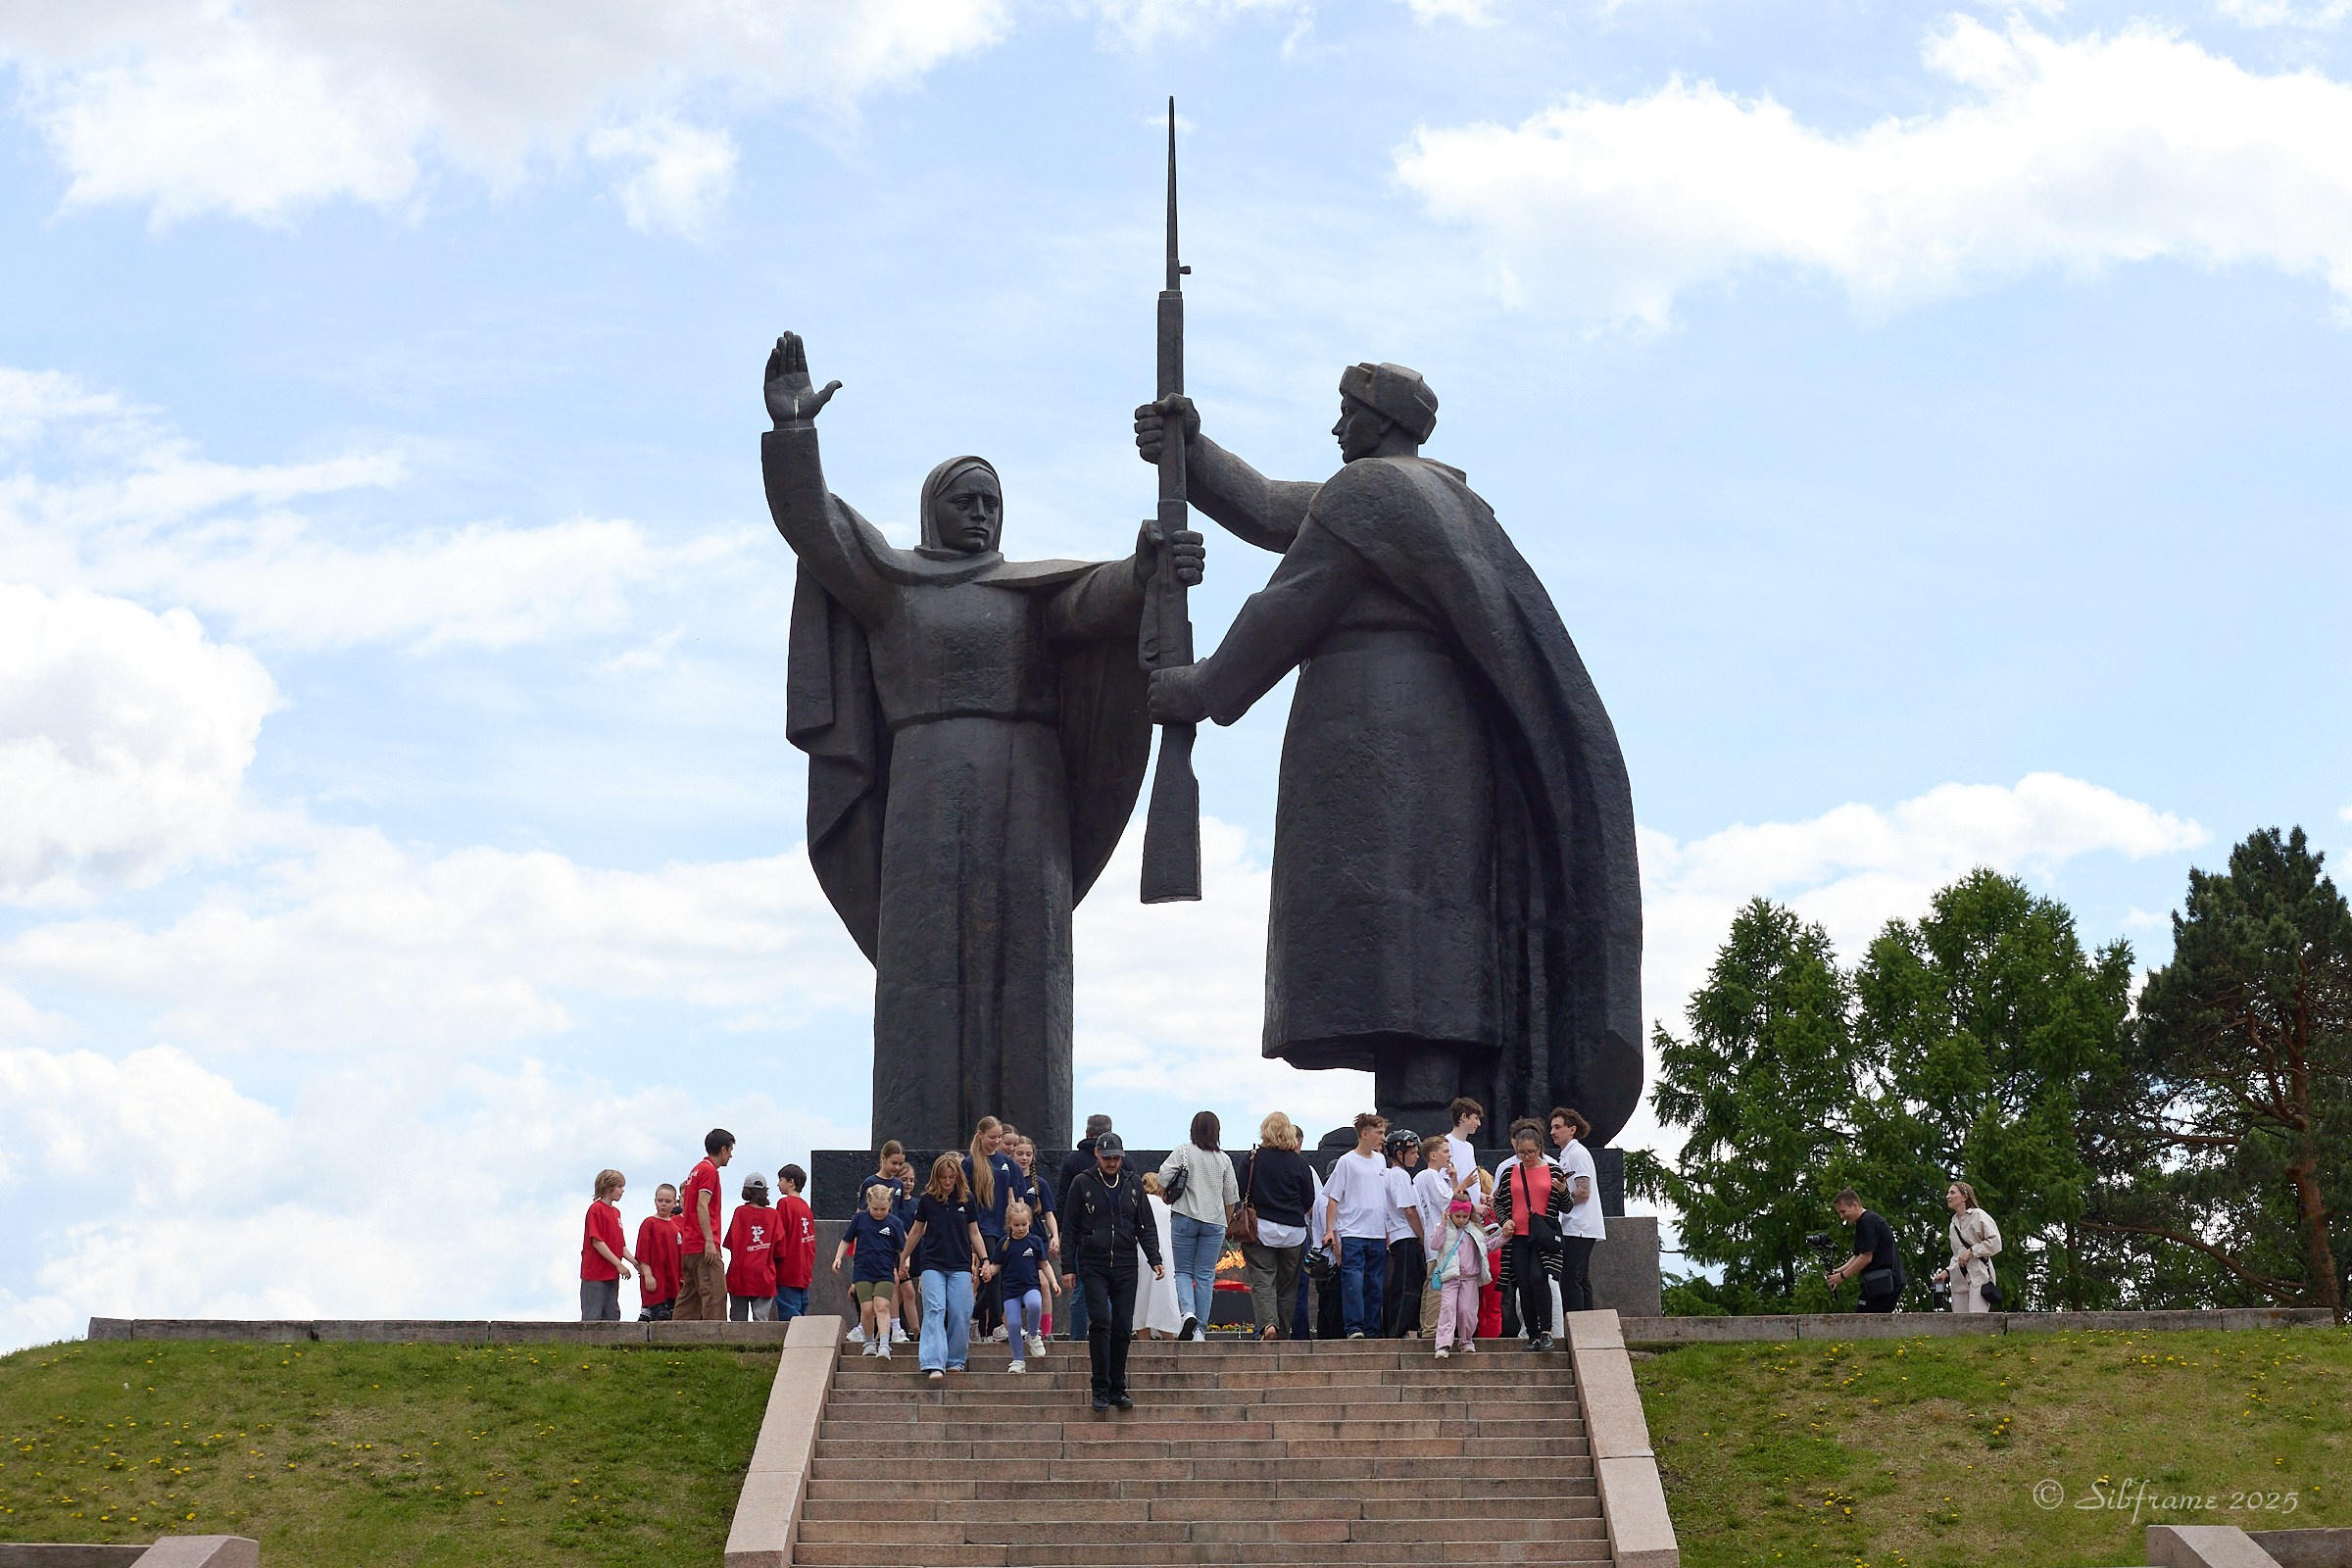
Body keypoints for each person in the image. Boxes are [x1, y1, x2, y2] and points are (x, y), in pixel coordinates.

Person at [1135, 370, 1643, 1145]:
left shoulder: (1371, 493)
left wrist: (1201, 688)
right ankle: (1428, 1103)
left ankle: (1419, 1111)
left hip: (1384, 726)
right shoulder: (1432, 500)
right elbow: (1276, 507)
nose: (1338, 431)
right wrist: (1191, 451)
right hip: (1431, 731)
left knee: (1402, 921)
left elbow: (1287, 606)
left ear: (1379, 423)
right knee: (1421, 919)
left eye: (1348, 416)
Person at [766, 334, 1203, 1152]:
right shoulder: (892, 587)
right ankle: (914, 1143)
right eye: (965, 501)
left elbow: (1096, 601)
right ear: (933, 507)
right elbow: (818, 529)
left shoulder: (1030, 593)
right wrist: (795, 437)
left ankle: (1030, 1140)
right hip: (926, 786)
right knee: (921, 966)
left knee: (1029, 965)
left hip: (1027, 789)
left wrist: (1145, 568)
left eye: (990, 503)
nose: (980, 515)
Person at [1064, 1132, 1166, 1410]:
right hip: (1093, 1262)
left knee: (1122, 1327)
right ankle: (1100, 1387)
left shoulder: (1133, 1183)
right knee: (1100, 1322)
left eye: (1117, 1158)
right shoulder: (1082, 1183)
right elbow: (1070, 1227)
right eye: (1108, 1157)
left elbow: (1145, 1224)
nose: (1112, 1163)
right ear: (1097, 1154)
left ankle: (1117, 1386)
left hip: (1124, 1262)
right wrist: (1067, 1267)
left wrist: (1154, 1258)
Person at [903, 1152, 992, 1380]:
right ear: (936, 1177)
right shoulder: (927, 1200)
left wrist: (985, 1259)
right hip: (933, 1263)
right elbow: (916, 1231)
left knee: (961, 1311)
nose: (948, 1182)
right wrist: (903, 1257)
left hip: (960, 1264)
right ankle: (933, 1361)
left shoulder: (967, 1199)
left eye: (952, 1177)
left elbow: (974, 1232)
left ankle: (955, 1359)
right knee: (935, 1308)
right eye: (944, 1177)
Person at [1234, 1111, 1317, 1340]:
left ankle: (1268, 1325)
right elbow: (1309, 1200)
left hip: (1261, 1228)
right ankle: (1281, 1331)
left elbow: (1241, 1191)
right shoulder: (1300, 1163)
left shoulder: (1252, 1158)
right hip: (1294, 1233)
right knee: (1288, 1286)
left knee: (1263, 1279)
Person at [1158, 1111, 1240, 1342]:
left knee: (1182, 1271)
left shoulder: (1183, 1151)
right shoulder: (1224, 1159)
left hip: (1184, 1217)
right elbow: (1231, 1196)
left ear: (1193, 1129)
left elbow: (1163, 1177)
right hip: (1214, 1222)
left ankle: (1188, 1314)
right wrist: (1223, 1223)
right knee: (1205, 1275)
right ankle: (1200, 1331)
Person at [1323, 1112, 1404, 1339]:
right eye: (1379, 1133)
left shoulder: (1380, 1161)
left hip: (1376, 1231)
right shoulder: (1347, 1161)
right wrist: (1331, 1230)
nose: (1383, 1138)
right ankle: (1354, 1327)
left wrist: (1386, 1227)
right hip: (1352, 1231)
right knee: (1353, 1280)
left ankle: (1371, 1328)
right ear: (1365, 1134)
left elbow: (1382, 1196)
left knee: (1375, 1283)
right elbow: (1333, 1197)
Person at [1493, 1118, 1568, 1351]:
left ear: (1540, 1148)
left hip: (1543, 1235)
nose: (1526, 1157)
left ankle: (1547, 1331)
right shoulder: (1509, 1173)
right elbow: (1499, 1204)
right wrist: (1505, 1221)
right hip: (1518, 1236)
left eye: (1531, 1152)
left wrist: (1563, 1191)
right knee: (1523, 1284)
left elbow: (1567, 1206)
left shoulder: (1553, 1170)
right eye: (1521, 1152)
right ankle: (1533, 1334)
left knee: (1539, 1278)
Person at [834, 1180, 906, 1358]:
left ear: (889, 1205)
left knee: (882, 1306)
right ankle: (868, 1342)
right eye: (875, 1209)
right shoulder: (860, 1219)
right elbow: (847, 1239)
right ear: (868, 1204)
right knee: (867, 1309)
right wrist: (838, 1257)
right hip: (863, 1272)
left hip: (885, 1272)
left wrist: (904, 1262)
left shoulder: (894, 1223)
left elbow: (902, 1247)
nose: (879, 1213)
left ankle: (883, 1344)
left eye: (883, 1209)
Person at [1058, 1114, 1114, 1343]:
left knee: (1080, 1293)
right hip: (1111, 1237)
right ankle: (1107, 1338)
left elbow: (1063, 1202)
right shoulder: (1120, 1162)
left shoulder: (1072, 1162)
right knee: (1109, 1291)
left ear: (1086, 1133)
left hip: (1082, 1235)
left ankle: (1078, 1340)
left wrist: (1062, 1235)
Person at [1413, 1135, 1473, 1337]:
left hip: (1435, 1235)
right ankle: (1431, 1330)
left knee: (1432, 1283)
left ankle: (1427, 1326)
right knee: (1437, 1286)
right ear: (1433, 1155)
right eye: (1445, 1151)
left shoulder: (1429, 1176)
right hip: (1439, 1237)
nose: (1449, 1155)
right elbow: (1449, 1202)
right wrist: (1463, 1183)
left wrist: (1455, 1180)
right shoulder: (1430, 1176)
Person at [676, 1129, 734, 1322]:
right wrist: (709, 1241)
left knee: (689, 1297)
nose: (731, 1155)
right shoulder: (710, 1171)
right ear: (723, 1149)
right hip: (703, 1244)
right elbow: (702, 1205)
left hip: (690, 1243)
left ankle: (674, 1337)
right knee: (716, 1294)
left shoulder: (696, 1169)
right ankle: (716, 1341)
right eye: (730, 1150)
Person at [1551, 1107, 1603, 1314]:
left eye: (1558, 1127)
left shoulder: (1578, 1153)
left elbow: (1583, 1191)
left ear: (1572, 1129)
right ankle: (1587, 1322)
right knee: (1580, 1277)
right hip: (1574, 1225)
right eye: (1552, 1127)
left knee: (1571, 1277)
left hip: (1579, 1225)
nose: (1553, 1132)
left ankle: (1577, 1323)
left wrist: (1561, 1198)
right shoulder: (1567, 1154)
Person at [998, 1201, 1058, 1372]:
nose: (1021, 1228)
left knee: (1035, 1304)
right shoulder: (1004, 1243)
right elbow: (996, 1264)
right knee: (1014, 1323)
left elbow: (1044, 1264)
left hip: (1030, 1286)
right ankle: (1018, 1360)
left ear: (1030, 1222)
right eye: (1016, 1225)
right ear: (1009, 1224)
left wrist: (1053, 1281)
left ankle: (1033, 1334)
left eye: (1024, 1224)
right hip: (1010, 1291)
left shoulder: (1035, 1241)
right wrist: (988, 1270)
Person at [1826, 1188, 1904, 1313]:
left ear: (1855, 1205)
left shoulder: (1867, 1222)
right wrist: (1838, 1271)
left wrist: (1842, 1277)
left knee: (1863, 1323)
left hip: (1884, 1282)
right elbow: (1858, 1255)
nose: (1841, 1217)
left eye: (1843, 1211)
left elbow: (1866, 1257)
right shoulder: (1863, 1222)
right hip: (1880, 1282)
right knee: (1870, 1324)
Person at [1429, 1196, 1490, 1358]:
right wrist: (1442, 1224)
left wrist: (1504, 1237)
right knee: (1447, 1308)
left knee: (1467, 1311)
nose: (1461, 1220)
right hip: (1450, 1277)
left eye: (1465, 1216)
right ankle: (1442, 1344)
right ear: (1451, 1214)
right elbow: (1434, 1244)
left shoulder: (1475, 1230)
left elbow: (1487, 1245)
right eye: (1458, 1216)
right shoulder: (1444, 1227)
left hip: (1469, 1277)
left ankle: (1466, 1340)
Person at [1381, 1129, 1427, 1338]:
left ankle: (1398, 1328)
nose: (1417, 1156)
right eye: (1413, 1152)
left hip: (1398, 1237)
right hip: (1406, 1237)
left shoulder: (1391, 1175)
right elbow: (1409, 1210)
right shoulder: (1399, 1175)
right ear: (1399, 1153)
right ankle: (1399, 1330)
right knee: (1407, 1287)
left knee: (1401, 1285)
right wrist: (1423, 1236)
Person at [1934, 1180, 2003, 1312]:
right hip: (1958, 1278)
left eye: (1952, 1192)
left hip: (1979, 1275)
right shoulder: (1953, 1224)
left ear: (1965, 1197)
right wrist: (1947, 1272)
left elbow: (1996, 1243)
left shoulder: (1978, 1215)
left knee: (1977, 1321)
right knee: (1959, 1323)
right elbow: (1957, 1255)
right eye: (1948, 1193)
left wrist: (1971, 1251)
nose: (1948, 1196)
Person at [580, 1169, 634, 1322]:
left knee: (612, 1315)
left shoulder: (616, 1212)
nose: (622, 1190)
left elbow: (620, 1245)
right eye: (619, 1186)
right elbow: (597, 1241)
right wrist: (618, 1264)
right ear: (608, 1187)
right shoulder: (596, 1209)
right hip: (596, 1272)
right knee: (593, 1316)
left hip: (611, 1273)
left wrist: (634, 1262)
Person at [1136, 1173, 1184, 1340]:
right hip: (1164, 1254)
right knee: (1163, 1297)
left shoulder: (1138, 1204)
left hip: (1141, 1253)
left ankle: (1144, 1347)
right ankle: (1169, 1344)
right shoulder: (1168, 1207)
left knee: (1140, 1300)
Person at [725, 1173, 779, 1321]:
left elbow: (731, 1243)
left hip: (740, 1273)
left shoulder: (740, 1212)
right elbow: (780, 1248)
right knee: (761, 1322)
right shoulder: (774, 1215)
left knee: (737, 1321)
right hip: (764, 1274)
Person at [773, 1164, 816, 1322]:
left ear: (791, 1182)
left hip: (788, 1265)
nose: (778, 1184)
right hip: (804, 1266)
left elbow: (779, 1234)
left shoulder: (784, 1204)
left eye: (781, 1180)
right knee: (801, 1305)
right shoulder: (805, 1206)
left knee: (788, 1311)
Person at [634, 1182, 682, 1321]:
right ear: (655, 1201)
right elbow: (643, 1252)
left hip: (672, 1282)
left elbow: (680, 1257)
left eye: (667, 1201)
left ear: (674, 1203)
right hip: (655, 1280)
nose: (663, 1204)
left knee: (672, 1314)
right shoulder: (649, 1223)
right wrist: (648, 1274)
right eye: (660, 1200)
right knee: (660, 1314)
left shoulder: (677, 1228)